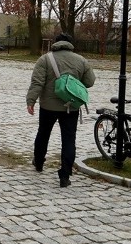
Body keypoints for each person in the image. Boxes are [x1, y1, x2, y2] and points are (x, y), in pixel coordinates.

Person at [26, 32, 96, 188]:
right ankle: (65, 174)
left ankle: (38, 162)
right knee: (69, 139)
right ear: (71, 44)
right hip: (71, 106)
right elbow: (90, 82)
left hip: (48, 106)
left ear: (55, 43)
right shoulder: (81, 60)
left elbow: (37, 82)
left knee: (43, 134)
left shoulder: (45, 59)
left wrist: (31, 101)